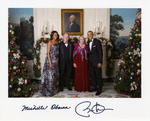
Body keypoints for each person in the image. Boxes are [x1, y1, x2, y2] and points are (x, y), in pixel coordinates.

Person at [40, 31, 59, 96]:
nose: (55, 36)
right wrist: (50, 63)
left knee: (54, 76)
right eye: (54, 35)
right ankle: (49, 91)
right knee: (50, 77)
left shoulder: (57, 42)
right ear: (52, 36)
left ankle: (54, 90)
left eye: (56, 35)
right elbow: (48, 53)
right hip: (50, 61)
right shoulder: (49, 42)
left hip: (56, 61)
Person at [87, 31, 103, 95]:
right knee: (93, 75)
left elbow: (100, 52)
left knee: (98, 76)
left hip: (97, 62)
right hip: (90, 63)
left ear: (93, 35)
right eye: (88, 35)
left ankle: (99, 89)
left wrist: (100, 62)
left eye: (90, 34)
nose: (89, 35)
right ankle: (95, 87)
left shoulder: (97, 41)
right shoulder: (88, 42)